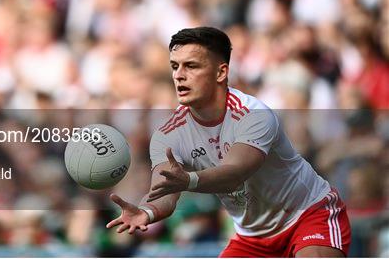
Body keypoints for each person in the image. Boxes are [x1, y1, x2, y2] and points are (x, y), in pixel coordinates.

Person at [106, 27, 351, 257]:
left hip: (309, 215)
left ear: (221, 72)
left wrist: (189, 181)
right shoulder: (167, 134)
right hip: (252, 239)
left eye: (191, 66)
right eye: (174, 66)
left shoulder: (253, 114)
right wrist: (147, 211)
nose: (179, 75)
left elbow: (235, 173)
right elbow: (164, 190)